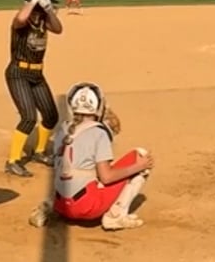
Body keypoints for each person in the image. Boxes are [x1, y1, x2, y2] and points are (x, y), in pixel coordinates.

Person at [50, 82, 153, 231]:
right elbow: (106, 177)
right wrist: (139, 166)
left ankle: (48, 206)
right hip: (87, 207)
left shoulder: (63, 130)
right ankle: (115, 217)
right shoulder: (98, 133)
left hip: (61, 206)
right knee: (139, 155)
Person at [4, 0, 63, 178]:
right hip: (18, 73)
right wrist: (32, 1)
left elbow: (58, 29)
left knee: (51, 115)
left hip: (37, 74)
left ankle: (39, 152)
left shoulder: (44, 21)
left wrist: (49, 9)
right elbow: (20, 19)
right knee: (29, 117)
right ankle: (13, 161)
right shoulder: (22, 21)